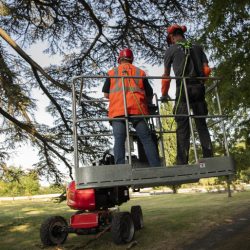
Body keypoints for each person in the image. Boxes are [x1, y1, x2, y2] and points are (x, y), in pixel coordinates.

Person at [161, 24, 213, 165]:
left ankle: (182, 161)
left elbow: (166, 76)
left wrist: (164, 95)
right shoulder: (197, 47)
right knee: (201, 123)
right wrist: (201, 83)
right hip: (199, 88)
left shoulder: (171, 50)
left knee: (183, 125)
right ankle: (208, 157)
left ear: (172, 37)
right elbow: (207, 70)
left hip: (183, 90)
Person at [102, 48, 161, 167]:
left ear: (119, 59)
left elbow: (106, 94)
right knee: (146, 139)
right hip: (137, 110)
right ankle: (156, 166)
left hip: (118, 111)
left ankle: (120, 169)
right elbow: (149, 94)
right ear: (131, 59)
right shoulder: (140, 72)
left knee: (119, 140)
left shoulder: (112, 73)